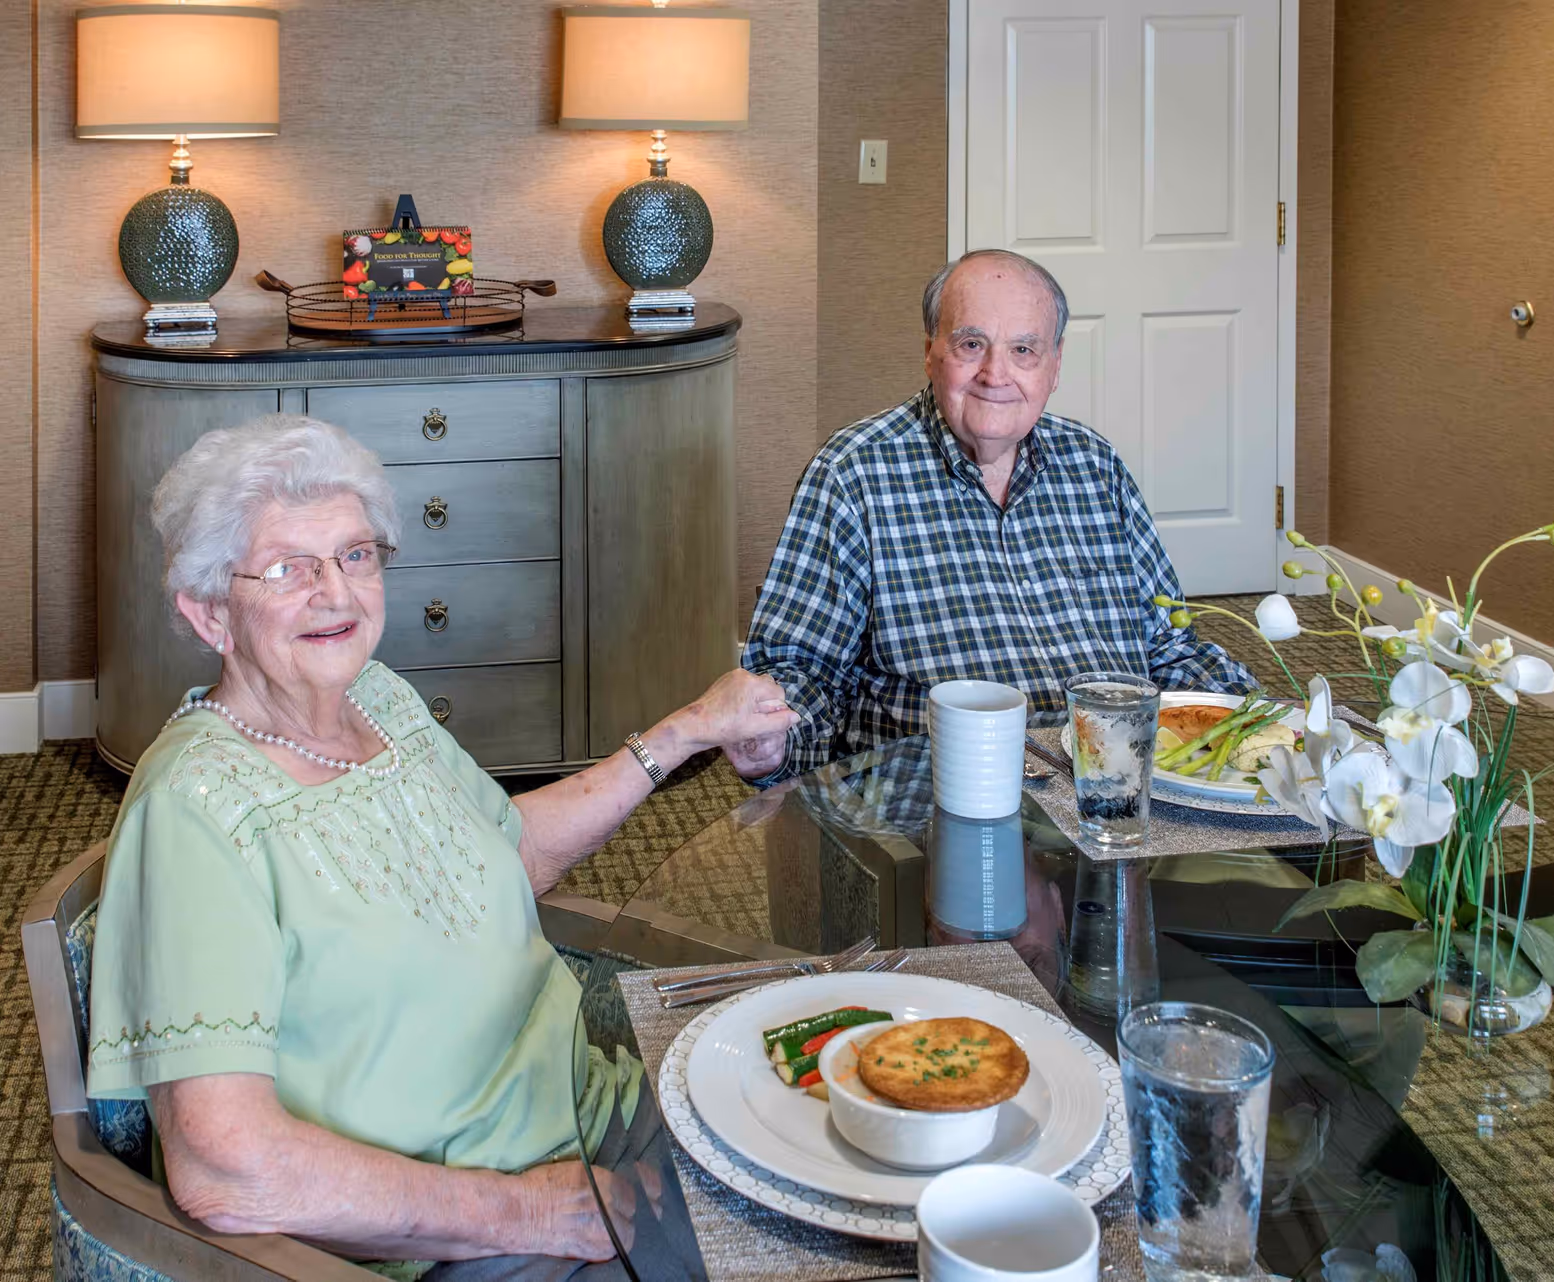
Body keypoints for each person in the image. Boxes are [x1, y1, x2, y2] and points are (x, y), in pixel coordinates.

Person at [86, 416, 794, 1275]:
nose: (336, 594)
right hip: (469, 1226)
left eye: (354, 555)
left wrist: (686, 732)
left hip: (593, 1108)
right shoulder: (195, 812)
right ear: (209, 613)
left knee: (858, 1151)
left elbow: (510, 853)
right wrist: (525, 1210)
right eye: (286, 569)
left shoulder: (378, 700)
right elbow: (223, 1167)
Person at [732, 249, 1256, 783]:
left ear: (1054, 366)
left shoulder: (1096, 465)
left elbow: (1167, 647)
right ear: (930, 353)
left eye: (1024, 349)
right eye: (971, 344)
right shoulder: (854, 473)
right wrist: (773, 736)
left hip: (1116, 786)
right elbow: (803, 670)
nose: (995, 374)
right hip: (944, 796)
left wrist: (1264, 716)